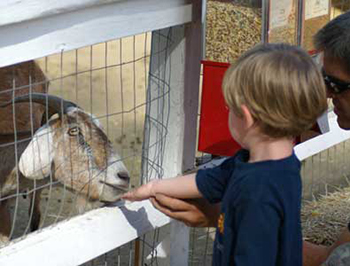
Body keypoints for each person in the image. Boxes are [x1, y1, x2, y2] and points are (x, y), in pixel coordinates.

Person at [149, 10, 350, 266]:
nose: (327, 94)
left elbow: (332, 260)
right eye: (323, 80)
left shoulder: (264, 184)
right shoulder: (283, 168)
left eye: (336, 85)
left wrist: (233, 218)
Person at [123, 43, 327, 265]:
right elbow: (211, 180)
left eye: (229, 107)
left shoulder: (257, 193)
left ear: (246, 116)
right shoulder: (273, 164)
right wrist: (154, 187)